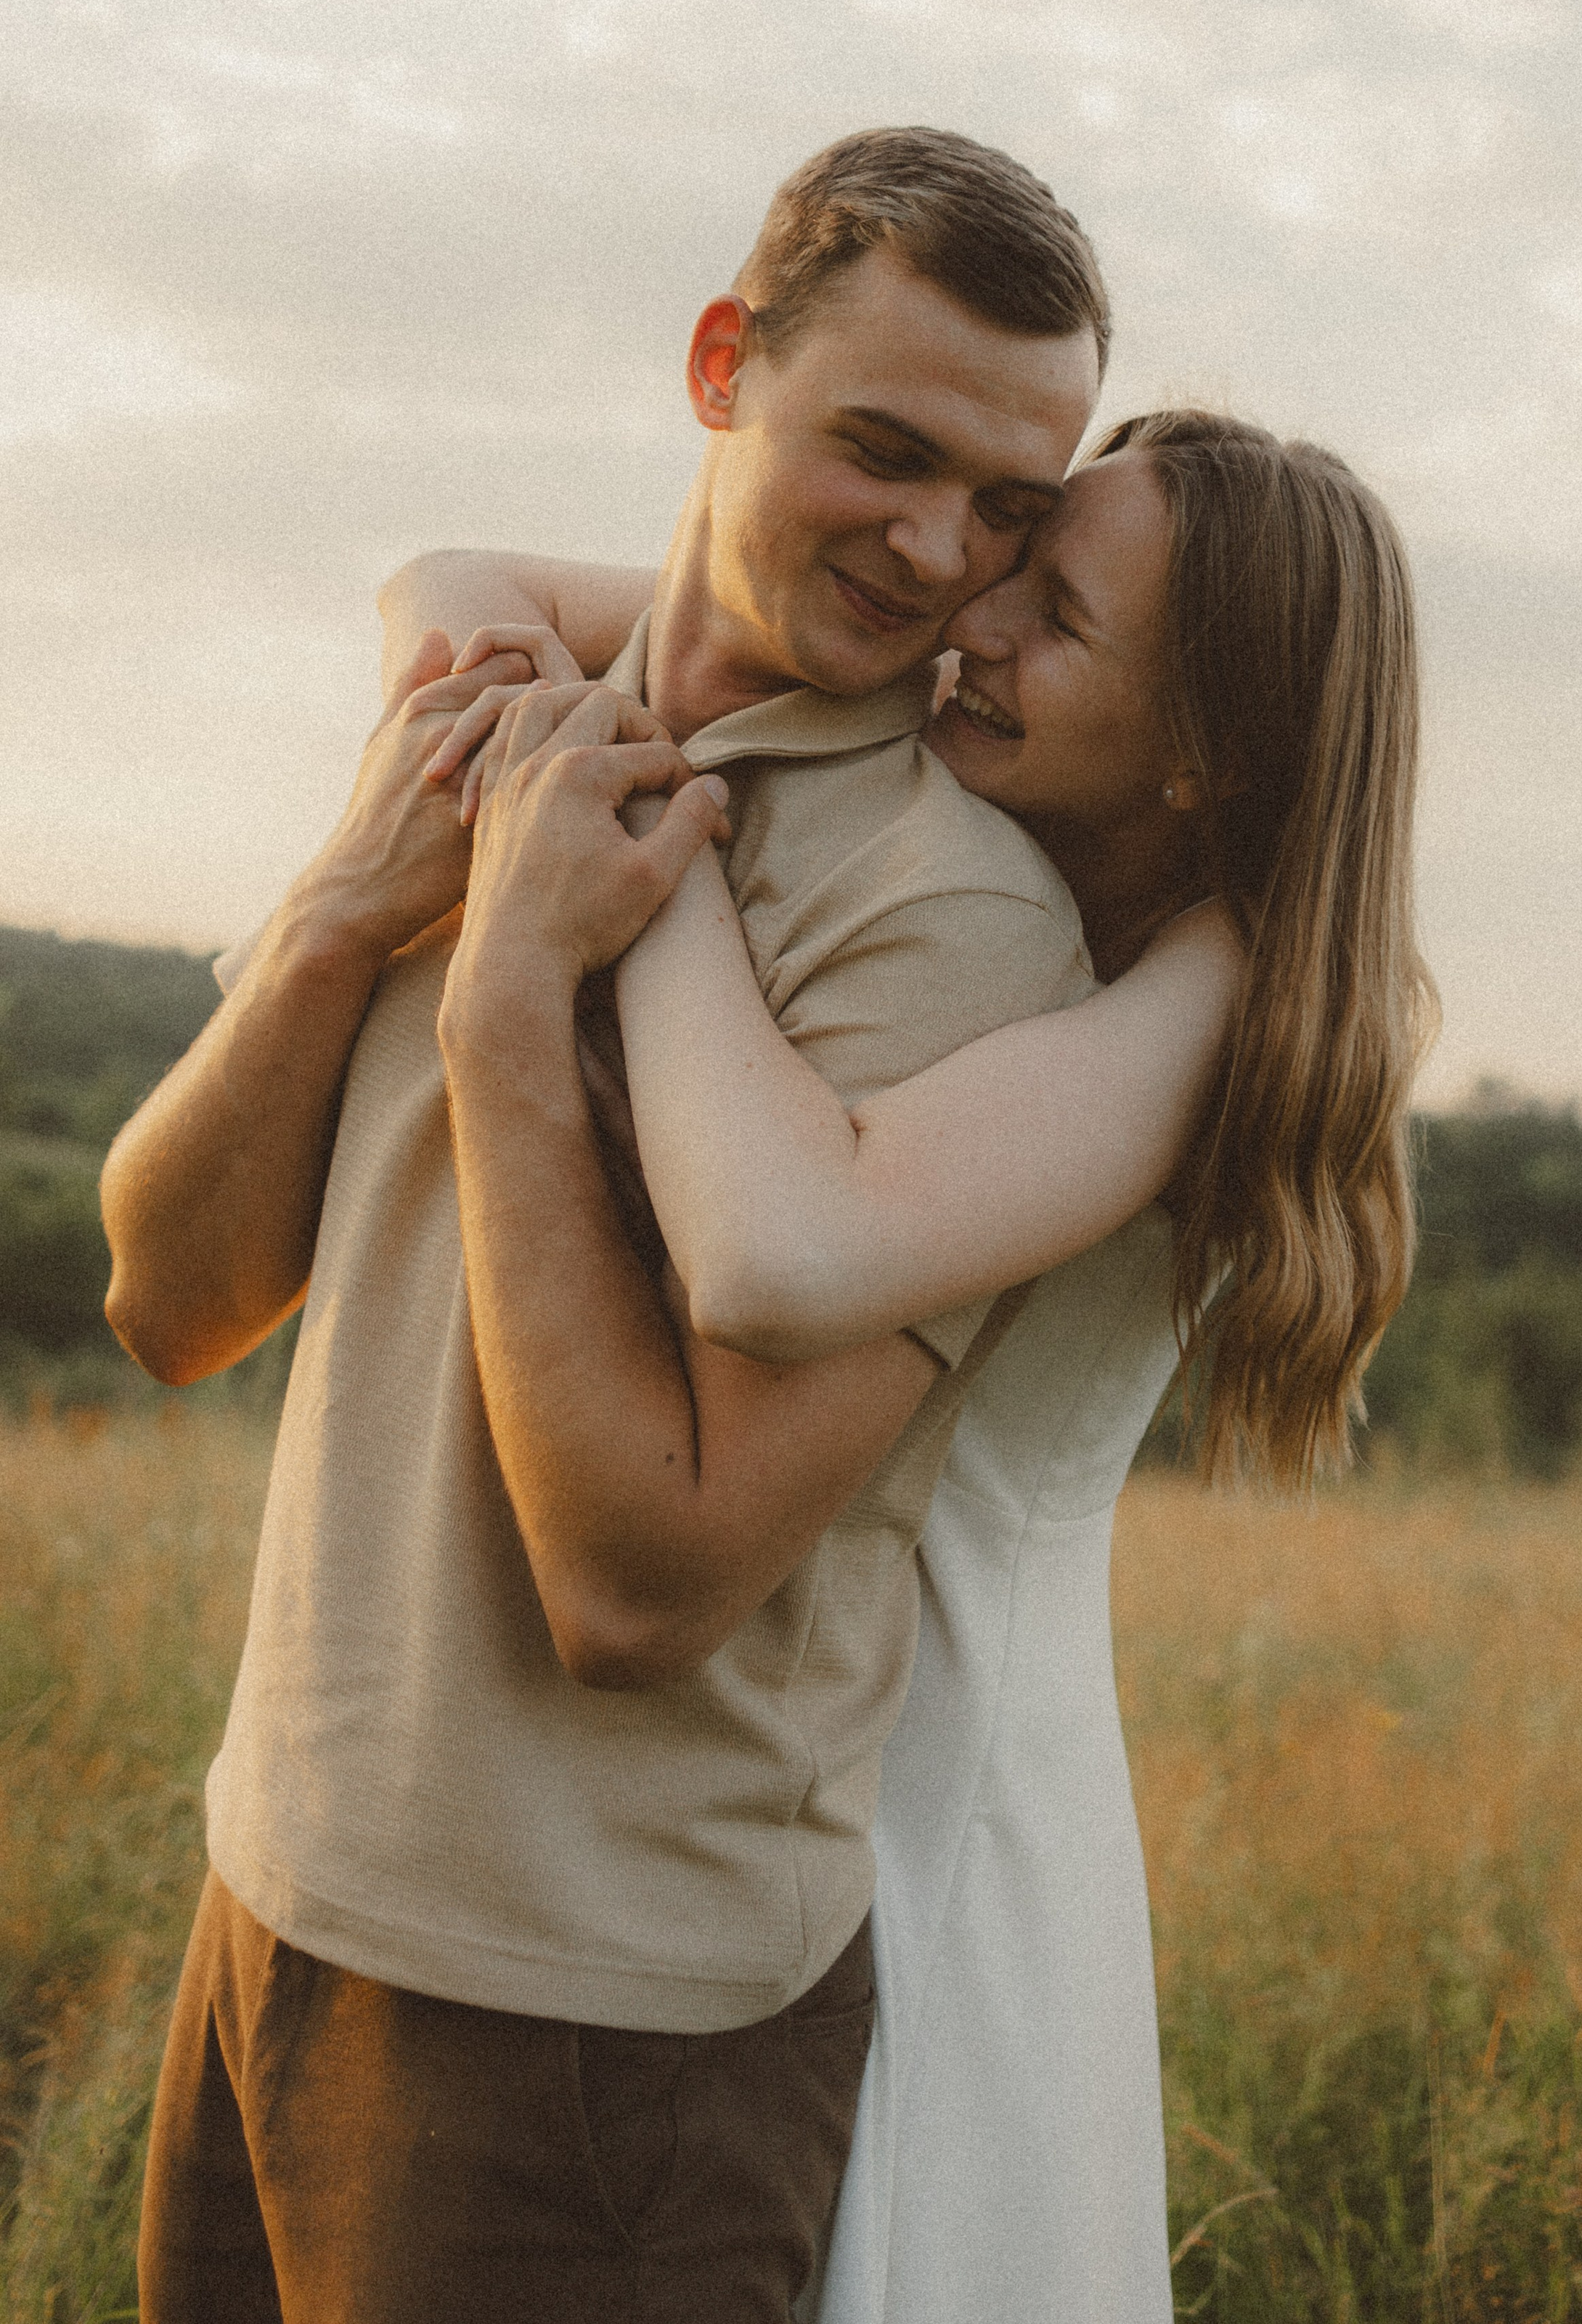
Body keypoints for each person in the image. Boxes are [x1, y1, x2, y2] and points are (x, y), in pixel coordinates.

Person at [101, 126, 1135, 2323]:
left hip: (596, 2042)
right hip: (271, 1890)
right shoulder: (489, 728)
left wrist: (506, 990)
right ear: (717, 368)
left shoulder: (948, 922)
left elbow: (648, 1587)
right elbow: (171, 1298)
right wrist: (339, 927)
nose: (938, 546)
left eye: (1011, 508)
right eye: (883, 447)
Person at [399, 406, 1435, 2320]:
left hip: (932, 1782)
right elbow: (458, 579)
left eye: (1057, 608)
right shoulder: (1031, 872)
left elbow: (788, 1249)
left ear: (1205, 750)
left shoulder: (1202, 998)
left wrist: (656, 845)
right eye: (1008, 560)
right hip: (799, 1722)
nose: (974, 612)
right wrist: (497, 698)